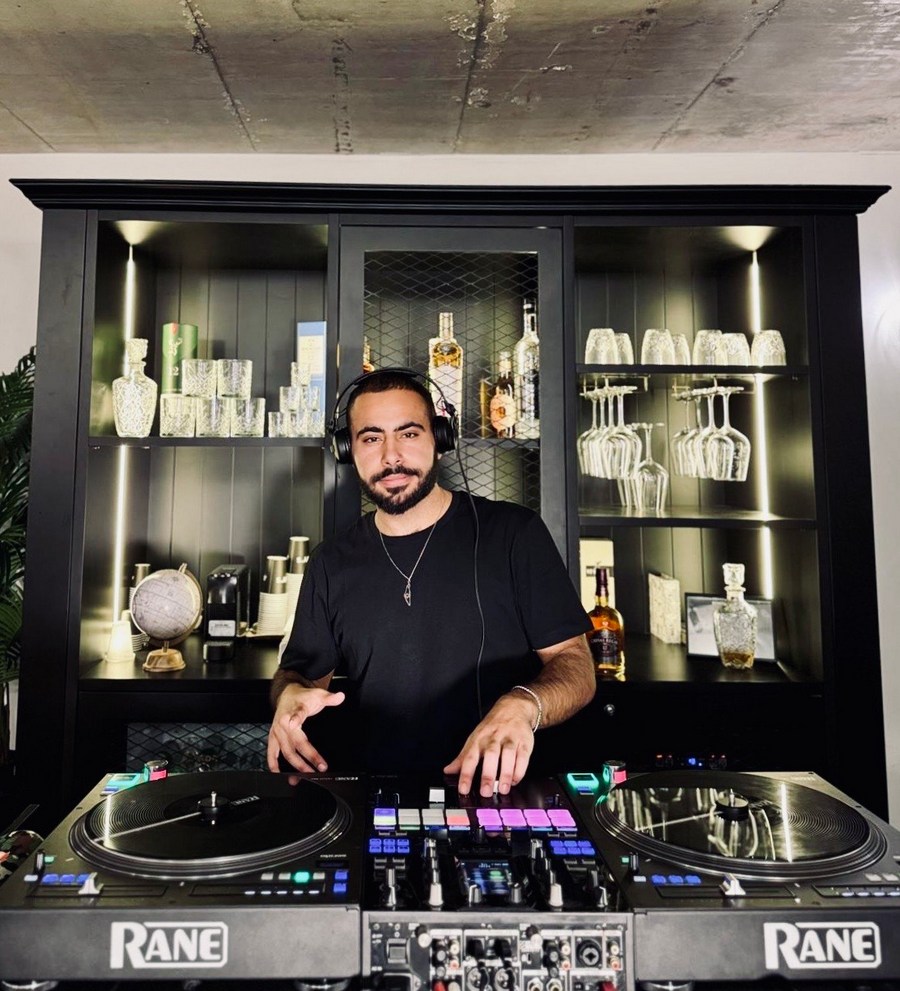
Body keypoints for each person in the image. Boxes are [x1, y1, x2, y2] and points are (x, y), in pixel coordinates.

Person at [267, 369, 595, 798]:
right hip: (381, 797)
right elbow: (300, 677)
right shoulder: (331, 561)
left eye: (408, 434)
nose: (391, 456)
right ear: (348, 450)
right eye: (371, 438)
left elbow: (576, 665)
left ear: (439, 439)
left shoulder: (515, 534)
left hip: (501, 792)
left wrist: (523, 704)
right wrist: (289, 695)